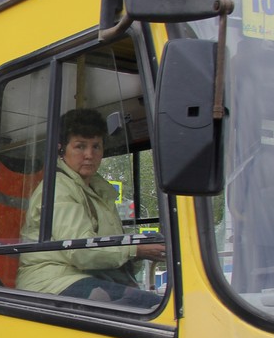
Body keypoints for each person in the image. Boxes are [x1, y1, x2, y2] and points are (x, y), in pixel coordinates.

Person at [16, 108, 165, 307]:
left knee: (157, 303)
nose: (89, 154)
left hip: (83, 277)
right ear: (61, 150)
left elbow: (110, 253)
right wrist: (135, 250)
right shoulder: (57, 189)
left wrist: (144, 250)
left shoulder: (98, 192)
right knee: (152, 308)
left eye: (96, 146)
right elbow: (81, 251)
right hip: (50, 283)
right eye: (80, 146)